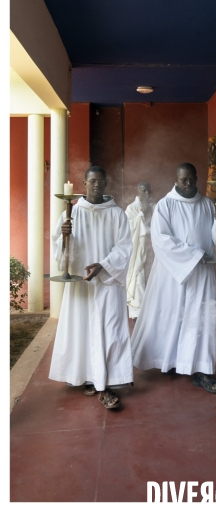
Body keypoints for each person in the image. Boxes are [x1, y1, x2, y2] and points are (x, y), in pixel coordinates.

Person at [131, 162, 216, 393]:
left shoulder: (208, 204)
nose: (187, 183)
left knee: (200, 317)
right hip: (172, 272)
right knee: (171, 316)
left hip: (202, 273)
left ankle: (201, 369)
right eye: (183, 179)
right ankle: (172, 360)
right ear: (176, 180)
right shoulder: (165, 205)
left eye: (191, 179)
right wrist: (195, 255)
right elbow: (161, 240)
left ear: (197, 179)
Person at [49, 166, 134, 409]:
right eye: (92, 181)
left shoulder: (117, 214)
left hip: (108, 281)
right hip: (81, 283)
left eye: (101, 181)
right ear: (84, 184)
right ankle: (87, 375)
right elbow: (60, 251)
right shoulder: (73, 213)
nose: (97, 184)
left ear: (107, 183)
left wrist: (104, 265)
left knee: (110, 328)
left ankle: (106, 380)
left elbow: (124, 247)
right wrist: (66, 237)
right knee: (83, 328)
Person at [125, 182, 156, 322]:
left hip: (153, 252)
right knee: (138, 283)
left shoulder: (156, 207)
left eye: (148, 191)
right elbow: (128, 230)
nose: (146, 194)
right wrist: (141, 214)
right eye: (143, 191)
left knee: (154, 281)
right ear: (137, 192)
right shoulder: (131, 209)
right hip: (138, 252)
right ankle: (138, 318)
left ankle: (153, 316)